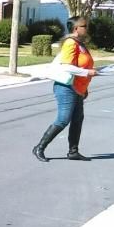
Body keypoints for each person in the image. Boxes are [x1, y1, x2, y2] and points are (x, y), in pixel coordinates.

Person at [32, 16, 98, 162]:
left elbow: (81, 65)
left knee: (77, 120)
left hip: (78, 89)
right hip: (66, 87)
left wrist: (85, 86)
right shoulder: (70, 43)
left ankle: (73, 151)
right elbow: (66, 66)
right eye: (84, 26)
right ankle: (39, 148)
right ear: (76, 29)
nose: (87, 28)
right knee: (63, 120)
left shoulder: (80, 44)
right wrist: (88, 72)